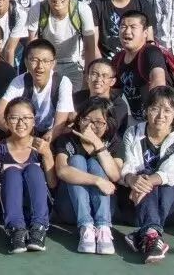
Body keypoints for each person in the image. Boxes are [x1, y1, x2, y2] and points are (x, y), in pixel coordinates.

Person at [120, 86, 174, 264]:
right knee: (143, 174)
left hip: (170, 206)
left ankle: (146, 233)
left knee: (167, 177)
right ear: (146, 110)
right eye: (155, 108)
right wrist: (131, 178)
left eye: (167, 110)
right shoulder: (133, 132)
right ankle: (152, 235)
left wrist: (153, 179)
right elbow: (127, 164)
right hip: (136, 203)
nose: (161, 115)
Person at [54, 97, 121, 255]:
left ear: (108, 124)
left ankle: (103, 229)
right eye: (86, 119)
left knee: (95, 163)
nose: (90, 126)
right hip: (71, 208)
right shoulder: (67, 139)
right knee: (77, 159)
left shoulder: (114, 141)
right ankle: (86, 228)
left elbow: (115, 175)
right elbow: (62, 170)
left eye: (98, 122)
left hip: (104, 209)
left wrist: (97, 143)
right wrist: (97, 181)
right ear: (79, 119)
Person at [14, 0, 98, 90]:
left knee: (76, 98)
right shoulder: (37, 10)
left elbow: (90, 47)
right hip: (47, 64)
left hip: (75, 65)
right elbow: (32, 45)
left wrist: (87, 76)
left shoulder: (82, 10)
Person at [0, 97, 56, 253]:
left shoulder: (41, 146)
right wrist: (12, 195)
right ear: (6, 121)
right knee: (12, 172)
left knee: (33, 170)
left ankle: (39, 229)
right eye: (14, 118)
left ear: (34, 121)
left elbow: (52, 183)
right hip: (6, 209)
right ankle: (16, 230)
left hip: (36, 207)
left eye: (26, 118)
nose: (21, 123)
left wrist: (47, 154)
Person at [0, 39, 74, 140]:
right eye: (34, 60)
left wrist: (40, 144)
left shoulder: (62, 82)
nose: (40, 66)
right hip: (23, 131)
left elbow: (58, 126)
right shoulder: (20, 81)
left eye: (45, 61)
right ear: (26, 62)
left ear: (53, 64)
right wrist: (22, 137)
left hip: (51, 134)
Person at [113, 11, 174, 123]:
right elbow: (113, 94)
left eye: (133, 27)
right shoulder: (118, 58)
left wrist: (153, 121)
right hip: (138, 121)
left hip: (162, 118)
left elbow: (158, 83)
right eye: (123, 26)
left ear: (145, 33)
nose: (127, 31)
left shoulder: (151, 52)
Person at [75, 59, 130, 152]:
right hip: (77, 144)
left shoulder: (119, 105)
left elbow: (104, 131)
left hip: (107, 149)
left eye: (104, 76)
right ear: (87, 77)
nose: (98, 79)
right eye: (94, 74)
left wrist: (75, 119)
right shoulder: (76, 98)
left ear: (112, 81)